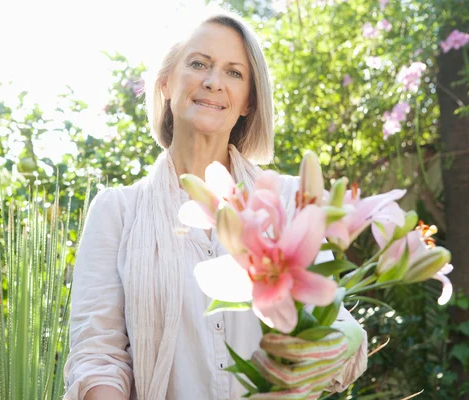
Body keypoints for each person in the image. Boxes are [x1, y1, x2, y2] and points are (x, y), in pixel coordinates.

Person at [63, 5, 367, 400]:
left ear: (247, 103)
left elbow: (333, 321)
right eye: (198, 64)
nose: (213, 81)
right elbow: (97, 353)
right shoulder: (116, 211)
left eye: (234, 72)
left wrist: (344, 338)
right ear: (167, 84)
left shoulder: (291, 200)